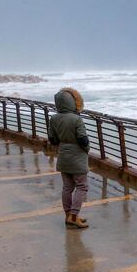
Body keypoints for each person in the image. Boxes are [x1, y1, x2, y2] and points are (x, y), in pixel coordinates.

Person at [48, 87, 91, 229]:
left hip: (63, 155)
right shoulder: (76, 119)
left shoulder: (54, 118)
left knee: (67, 187)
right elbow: (83, 140)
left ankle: (68, 216)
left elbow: (52, 139)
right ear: (73, 102)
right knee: (82, 186)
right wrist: (86, 150)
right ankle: (74, 216)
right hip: (77, 156)